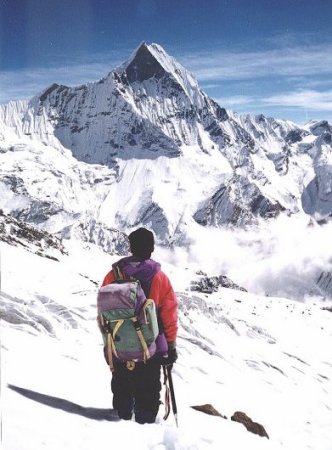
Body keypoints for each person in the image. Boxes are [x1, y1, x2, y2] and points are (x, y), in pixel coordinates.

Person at [100, 227, 178, 424]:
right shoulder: (159, 278)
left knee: (121, 385)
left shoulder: (114, 274)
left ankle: (121, 418)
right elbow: (169, 314)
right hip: (149, 346)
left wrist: (109, 341)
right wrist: (171, 346)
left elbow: (105, 310)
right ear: (151, 248)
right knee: (148, 389)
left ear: (131, 247)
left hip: (119, 344)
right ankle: (146, 424)